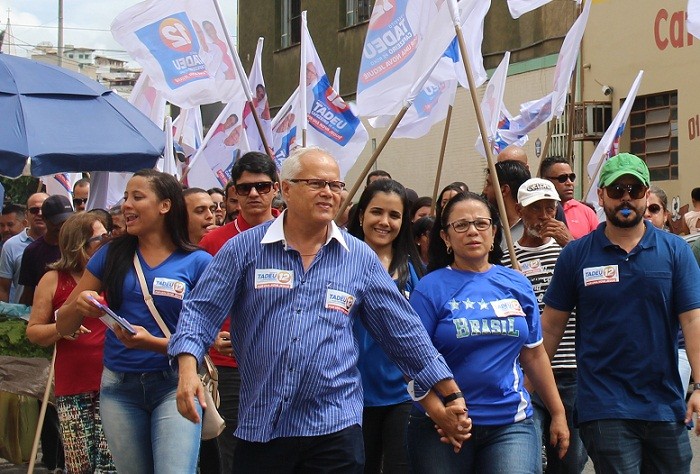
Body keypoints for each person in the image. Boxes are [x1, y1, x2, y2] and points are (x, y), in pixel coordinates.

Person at [170, 147, 471, 472]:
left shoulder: (358, 258)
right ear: (286, 189)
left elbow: (404, 333)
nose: (329, 193)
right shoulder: (243, 250)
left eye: (336, 185)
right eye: (316, 184)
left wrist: (451, 394)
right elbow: (201, 311)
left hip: (335, 427)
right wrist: (187, 371)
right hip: (263, 424)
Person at [541, 153, 700, 472]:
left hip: (664, 406)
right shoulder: (576, 255)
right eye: (616, 190)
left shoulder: (676, 251)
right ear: (601, 195)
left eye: (634, 189)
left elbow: (693, 321)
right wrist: (532, 394)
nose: (625, 197)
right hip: (604, 406)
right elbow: (550, 330)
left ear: (646, 193)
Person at [56, 169, 212, 473]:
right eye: (126, 197)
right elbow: (64, 325)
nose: (126, 204)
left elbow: (204, 338)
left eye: (137, 197)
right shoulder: (110, 255)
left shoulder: (199, 262)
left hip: (175, 384)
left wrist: (151, 343)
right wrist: (82, 305)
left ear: (165, 206)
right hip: (118, 389)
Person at [407, 190, 568, 473]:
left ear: (494, 232)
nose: (473, 231)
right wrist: (439, 412)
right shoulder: (429, 288)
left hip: (510, 423)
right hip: (443, 423)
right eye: (461, 225)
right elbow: (412, 362)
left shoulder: (517, 283)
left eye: (481, 224)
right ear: (445, 237)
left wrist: (557, 412)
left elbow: (534, 354)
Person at [198, 151, 281, 474]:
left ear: (276, 187)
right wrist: (209, 339)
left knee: (280, 449)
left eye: (261, 186)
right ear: (233, 192)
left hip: (280, 364)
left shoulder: (297, 235)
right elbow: (196, 305)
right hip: (229, 367)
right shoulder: (213, 242)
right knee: (233, 452)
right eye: (244, 188)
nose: (254, 195)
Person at [501, 178, 588, 473]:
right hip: (529, 372)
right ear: (518, 210)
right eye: (535, 208)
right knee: (527, 455)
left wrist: (571, 244)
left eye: (550, 208)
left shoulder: (571, 253)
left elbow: (596, 292)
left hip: (571, 370)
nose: (544, 216)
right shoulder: (505, 260)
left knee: (571, 459)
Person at [26, 212, 115, 474]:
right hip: (73, 389)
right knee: (80, 467)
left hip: (115, 385)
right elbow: (34, 332)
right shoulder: (53, 280)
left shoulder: (113, 275)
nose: (106, 242)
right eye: (100, 238)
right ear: (80, 244)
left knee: (110, 466)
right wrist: (61, 329)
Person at [347, 179, 424, 474]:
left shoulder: (413, 268)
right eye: (376, 212)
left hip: (402, 394)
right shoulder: (337, 262)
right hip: (350, 394)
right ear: (361, 214)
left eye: (394, 215)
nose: (384, 222)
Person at [644, 186, 692, 396]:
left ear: (665, 215)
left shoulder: (679, 251)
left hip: (677, 350)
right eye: (643, 208)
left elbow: (693, 315)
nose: (646, 214)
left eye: (654, 209)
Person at [18, 195, 74, 306]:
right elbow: (28, 293)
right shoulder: (32, 251)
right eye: (56, 222)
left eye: (65, 222)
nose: (61, 227)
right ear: (44, 219)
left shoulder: (78, 246)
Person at [0, 193, 48, 303]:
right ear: (27, 214)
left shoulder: (62, 243)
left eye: (44, 209)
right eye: (34, 210)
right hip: (22, 314)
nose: (39, 214)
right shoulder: (10, 246)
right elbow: (3, 288)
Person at [539, 156, 597, 240]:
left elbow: (598, 249)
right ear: (545, 181)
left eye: (572, 177)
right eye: (562, 178)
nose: (569, 183)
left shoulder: (586, 212)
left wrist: (569, 242)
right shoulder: (534, 214)